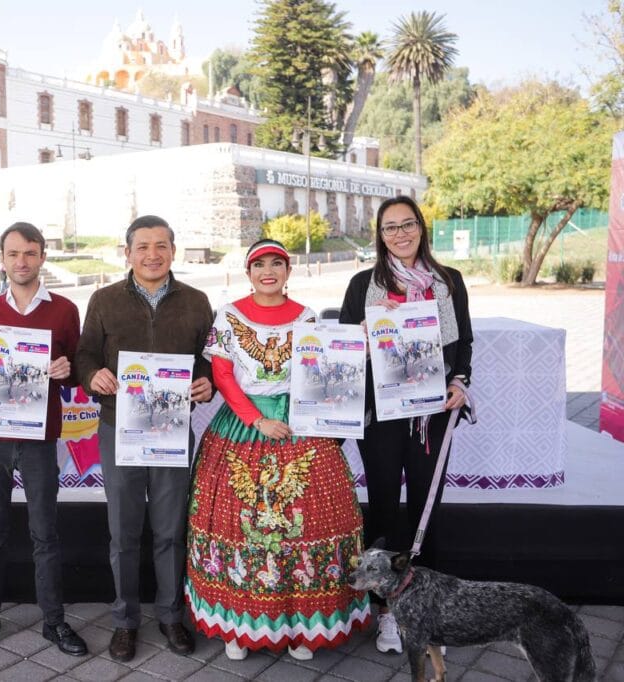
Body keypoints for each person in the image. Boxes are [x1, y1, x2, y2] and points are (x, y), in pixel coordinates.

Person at [185, 239, 370, 662]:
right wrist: (257, 420)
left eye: (276, 264)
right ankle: (237, 623)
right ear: (248, 273)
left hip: (299, 421)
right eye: (259, 265)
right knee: (235, 520)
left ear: (288, 271)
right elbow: (223, 375)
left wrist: (358, 342)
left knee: (308, 521)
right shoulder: (229, 315)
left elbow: (321, 366)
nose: (268, 272)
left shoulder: (306, 317)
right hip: (243, 422)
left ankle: (300, 626)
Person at [75, 215, 214, 663]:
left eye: (161, 246)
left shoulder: (196, 301)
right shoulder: (104, 299)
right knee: (124, 532)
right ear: (128, 253)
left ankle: (171, 616)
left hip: (172, 430)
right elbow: (85, 354)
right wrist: (92, 375)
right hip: (120, 429)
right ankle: (125, 621)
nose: (152, 255)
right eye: (143, 247)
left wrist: (207, 381)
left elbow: (208, 359)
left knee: (171, 530)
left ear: (173, 250)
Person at [339, 195, 473, 655]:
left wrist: (459, 382)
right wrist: (362, 334)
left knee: (425, 509)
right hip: (382, 415)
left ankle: (427, 613)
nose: (400, 234)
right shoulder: (363, 285)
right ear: (380, 235)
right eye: (390, 227)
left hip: (431, 415)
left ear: (421, 227)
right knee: (382, 507)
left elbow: (464, 342)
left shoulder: (449, 282)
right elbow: (344, 348)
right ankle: (386, 613)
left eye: (408, 224)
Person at [0, 223, 88, 656]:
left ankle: (54, 621)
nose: (21, 261)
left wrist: (67, 370)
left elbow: (77, 370)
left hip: (39, 438)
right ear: (2, 258)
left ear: (43, 257)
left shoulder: (65, 310)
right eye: (13, 253)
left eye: (30, 253)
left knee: (44, 533)